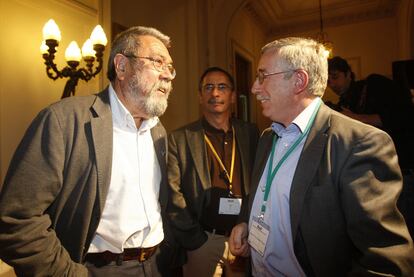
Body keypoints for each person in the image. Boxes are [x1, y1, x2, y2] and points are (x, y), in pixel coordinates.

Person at [229, 37, 414, 276]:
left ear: (299, 80)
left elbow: (385, 261)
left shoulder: (359, 143)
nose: (254, 87)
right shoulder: (268, 137)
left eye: (263, 76)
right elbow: (261, 194)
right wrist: (246, 222)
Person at [0, 26, 176, 276]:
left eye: (170, 67)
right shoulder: (63, 120)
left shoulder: (158, 132)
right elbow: (16, 221)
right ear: (122, 66)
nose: (168, 75)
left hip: (157, 265)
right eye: (158, 62)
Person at [166, 67, 259, 277]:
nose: (215, 93)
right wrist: (195, 239)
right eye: (208, 87)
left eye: (222, 87)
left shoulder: (250, 133)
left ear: (233, 96)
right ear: (200, 96)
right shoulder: (180, 138)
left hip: (245, 239)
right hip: (203, 241)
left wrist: (250, 227)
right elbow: (172, 194)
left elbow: (260, 183)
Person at [328, 56, 414, 239]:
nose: (331, 84)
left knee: (404, 232)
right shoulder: (344, 103)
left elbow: (404, 113)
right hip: (374, 175)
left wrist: (356, 119)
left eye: (335, 77)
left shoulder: (374, 83)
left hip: (402, 171)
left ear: (349, 74)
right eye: (327, 80)